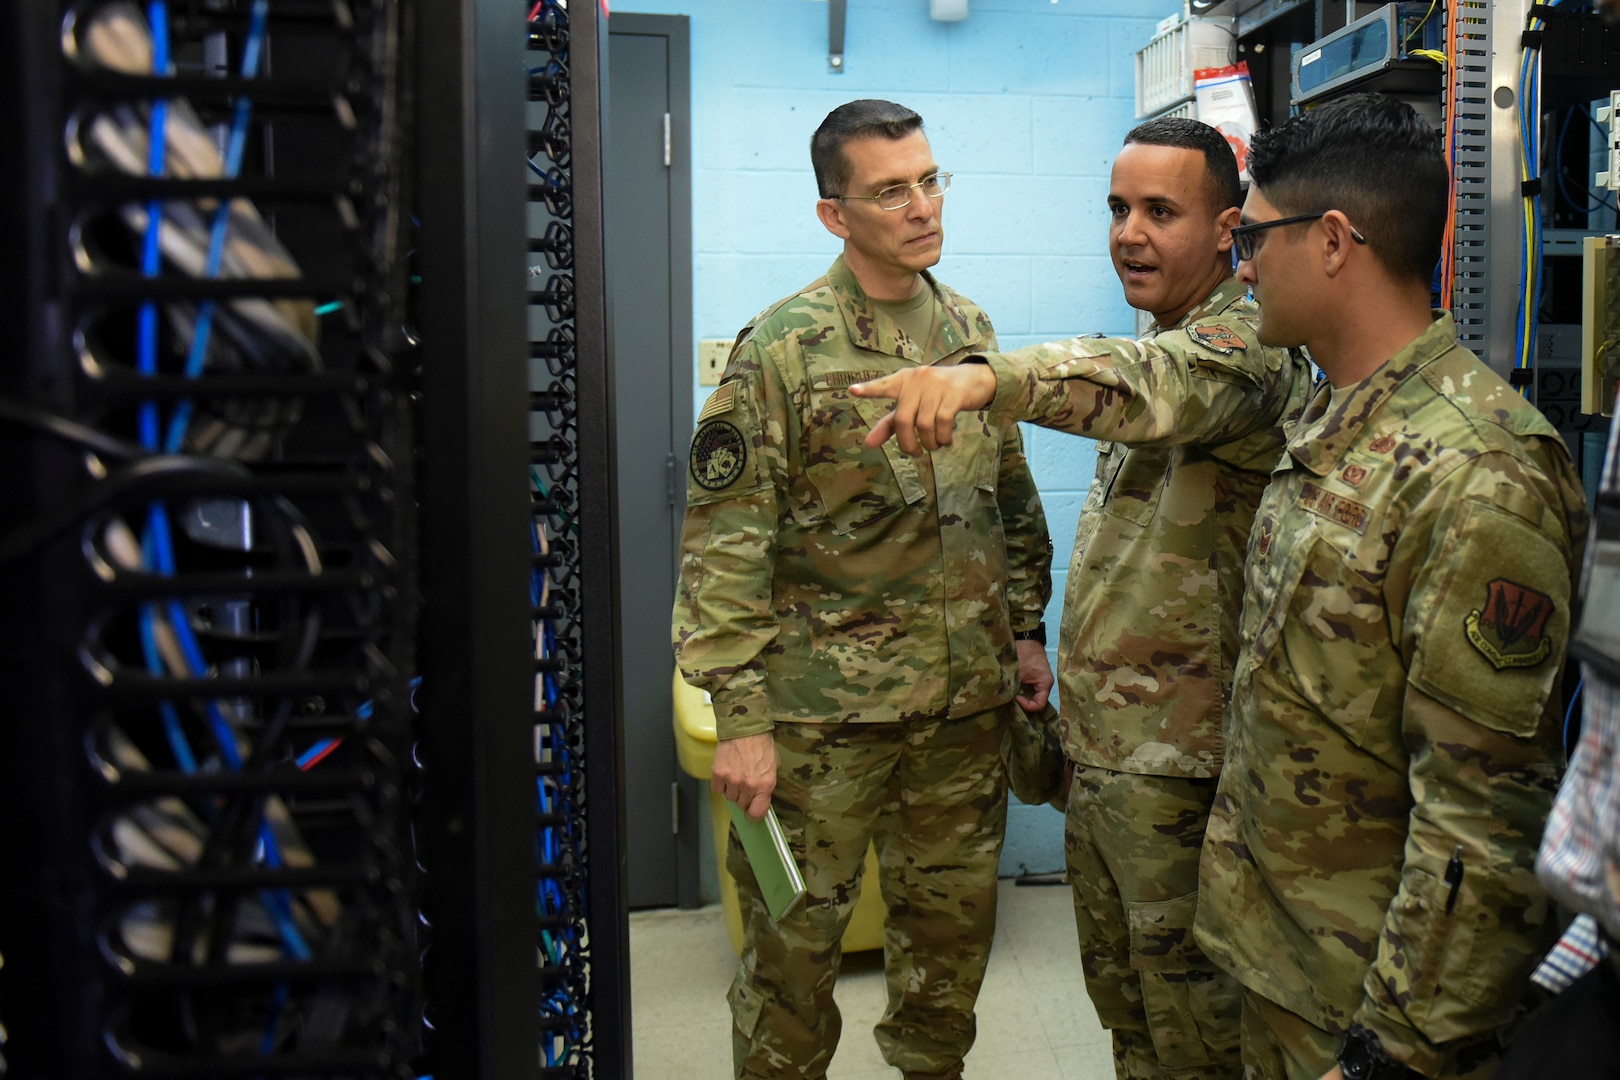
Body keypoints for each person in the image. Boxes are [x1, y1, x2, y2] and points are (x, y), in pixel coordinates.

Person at [855, 92, 1588, 1080]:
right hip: (1256, 910)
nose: (1246, 262)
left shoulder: (1464, 462)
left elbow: (1481, 814)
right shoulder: (1342, 422)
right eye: (1118, 210)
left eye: (1251, 236)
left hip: (1340, 957)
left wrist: (1400, 1051)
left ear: (1330, 242)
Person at [671, 98, 1054, 1080]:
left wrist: (1026, 634)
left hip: (962, 719)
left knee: (947, 963)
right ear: (834, 215)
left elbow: (1009, 501)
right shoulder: (784, 351)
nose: (922, 205)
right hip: (819, 730)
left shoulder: (970, 329)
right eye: (891, 190)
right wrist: (742, 717)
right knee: (790, 966)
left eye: (930, 179)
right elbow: (724, 547)